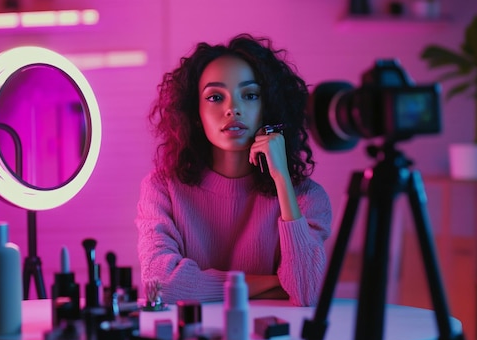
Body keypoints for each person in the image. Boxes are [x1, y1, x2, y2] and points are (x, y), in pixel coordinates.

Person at [135, 33, 332, 307]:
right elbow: (161, 286)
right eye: (215, 97)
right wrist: (276, 283)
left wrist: (282, 179)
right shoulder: (162, 189)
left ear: (268, 108)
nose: (233, 109)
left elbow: (306, 291)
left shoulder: (306, 197)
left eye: (250, 95)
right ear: (195, 112)